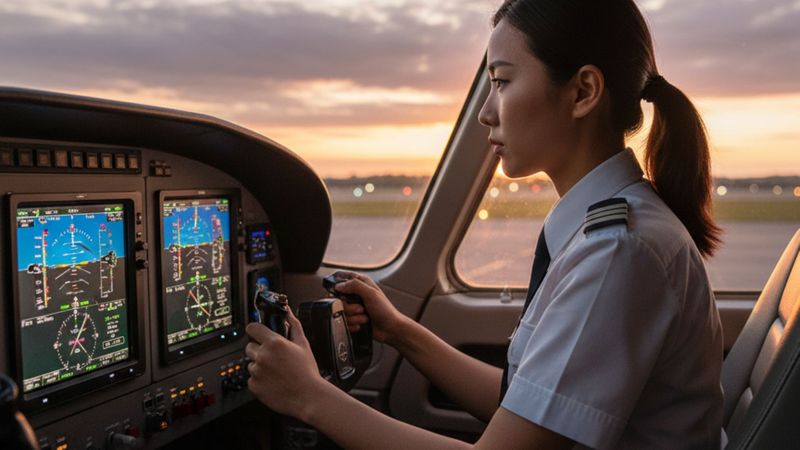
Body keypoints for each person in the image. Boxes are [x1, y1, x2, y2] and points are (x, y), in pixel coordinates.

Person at [244, 0, 724, 448]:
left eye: (501, 81)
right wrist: (398, 330)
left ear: (583, 92)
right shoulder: (609, 233)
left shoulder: (619, 253)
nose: (485, 112)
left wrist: (307, 396)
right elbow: (527, 402)